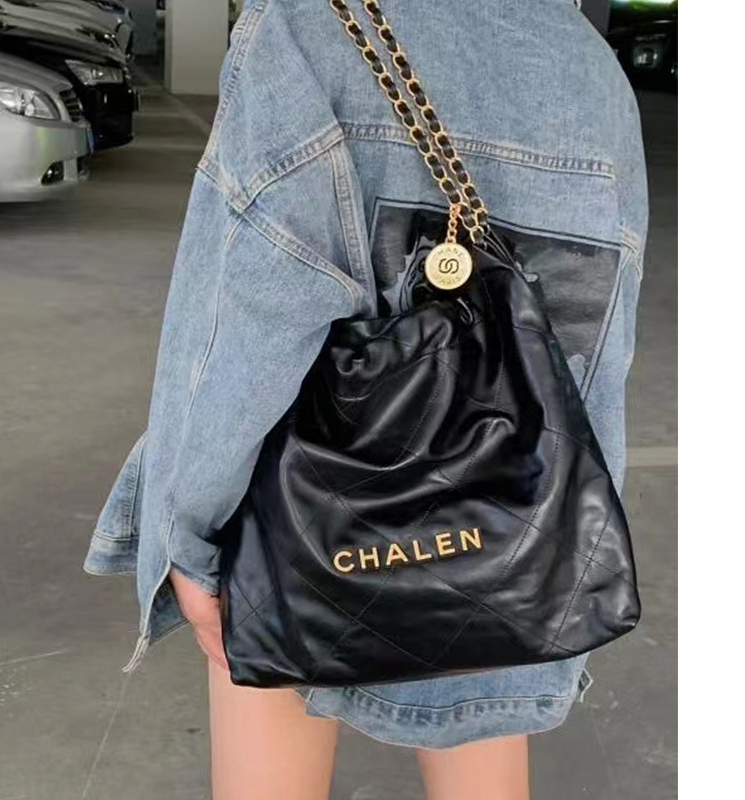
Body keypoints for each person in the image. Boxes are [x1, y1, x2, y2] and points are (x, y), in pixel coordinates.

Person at [84, 1, 647, 798]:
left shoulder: (308, 29)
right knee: (485, 747)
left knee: (271, 721)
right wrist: (561, 540)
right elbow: (598, 352)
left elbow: (253, 321)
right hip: (517, 535)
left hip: (309, 532)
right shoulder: (588, 64)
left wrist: (189, 531)